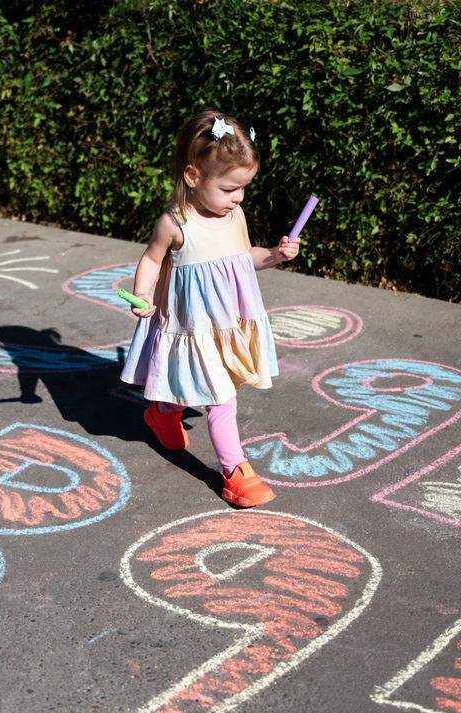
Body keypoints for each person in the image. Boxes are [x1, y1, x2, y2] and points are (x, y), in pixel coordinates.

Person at [121, 109, 299, 508]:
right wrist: (144, 295)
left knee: (190, 380)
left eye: (243, 188)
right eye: (230, 188)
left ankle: (163, 412)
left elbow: (242, 258)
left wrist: (274, 255)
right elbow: (152, 259)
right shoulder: (176, 222)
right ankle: (235, 472)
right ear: (193, 177)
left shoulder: (234, 215)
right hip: (191, 324)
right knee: (221, 397)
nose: (237, 198)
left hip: (228, 322)